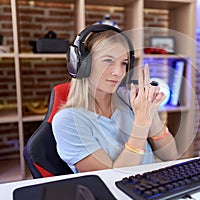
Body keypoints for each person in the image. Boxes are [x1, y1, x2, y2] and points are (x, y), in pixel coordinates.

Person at [52, 25, 179, 173]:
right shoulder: (68, 121)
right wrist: (142, 122)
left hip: (152, 186)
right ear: (83, 65)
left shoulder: (130, 99)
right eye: (108, 61)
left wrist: (151, 112)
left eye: (123, 63)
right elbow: (112, 178)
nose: (118, 72)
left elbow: (171, 155)